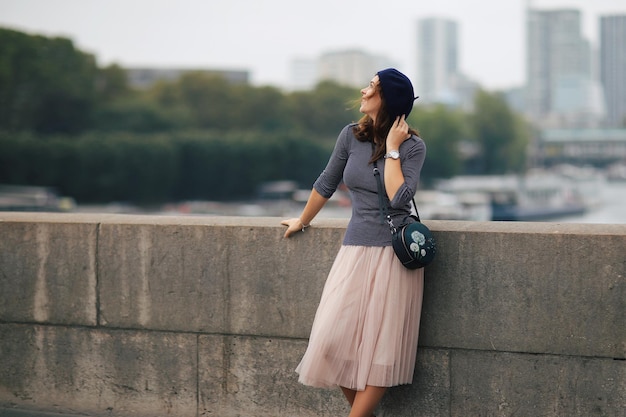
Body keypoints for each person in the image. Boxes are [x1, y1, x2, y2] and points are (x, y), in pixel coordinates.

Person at [281, 68, 426, 417]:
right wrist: (302, 220)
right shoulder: (350, 136)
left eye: (372, 87)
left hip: (394, 257)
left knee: (382, 354)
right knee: (330, 343)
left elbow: (399, 198)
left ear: (387, 99)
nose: (363, 90)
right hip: (354, 251)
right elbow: (326, 182)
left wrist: (392, 149)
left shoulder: (412, 146)